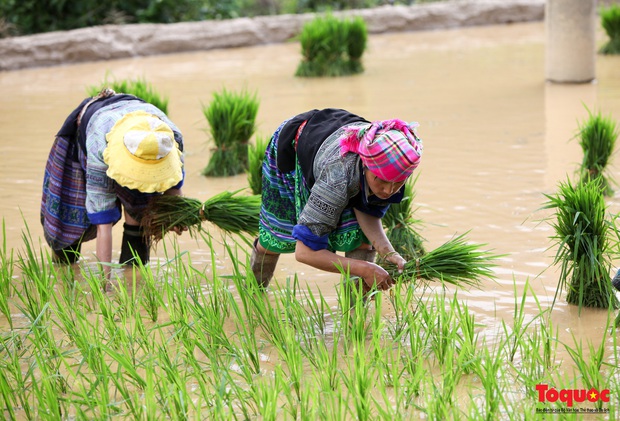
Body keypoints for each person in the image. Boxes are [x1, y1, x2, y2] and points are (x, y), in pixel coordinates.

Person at [250, 108, 423, 293]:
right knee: (276, 236)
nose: (388, 190)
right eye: (380, 180)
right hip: (295, 149)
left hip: (336, 148)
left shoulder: (393, 165)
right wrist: (365, 269)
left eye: (397, 183)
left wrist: (388, 252)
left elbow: (367, 210)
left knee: (360, 238)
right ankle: (254, 293)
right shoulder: (337, 178)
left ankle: (355, 317)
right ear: (365, 166)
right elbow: (305, 252)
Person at [40, 88, 185, 278]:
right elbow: (103, 223)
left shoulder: (170, 139)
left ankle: (134, 277)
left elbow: (173, 186)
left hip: (140, 136)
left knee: (141, 209)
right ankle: (64, 268)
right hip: (90, 132)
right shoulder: (99, 147)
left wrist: (176, 215)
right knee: (68, 218)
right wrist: (104, 285)